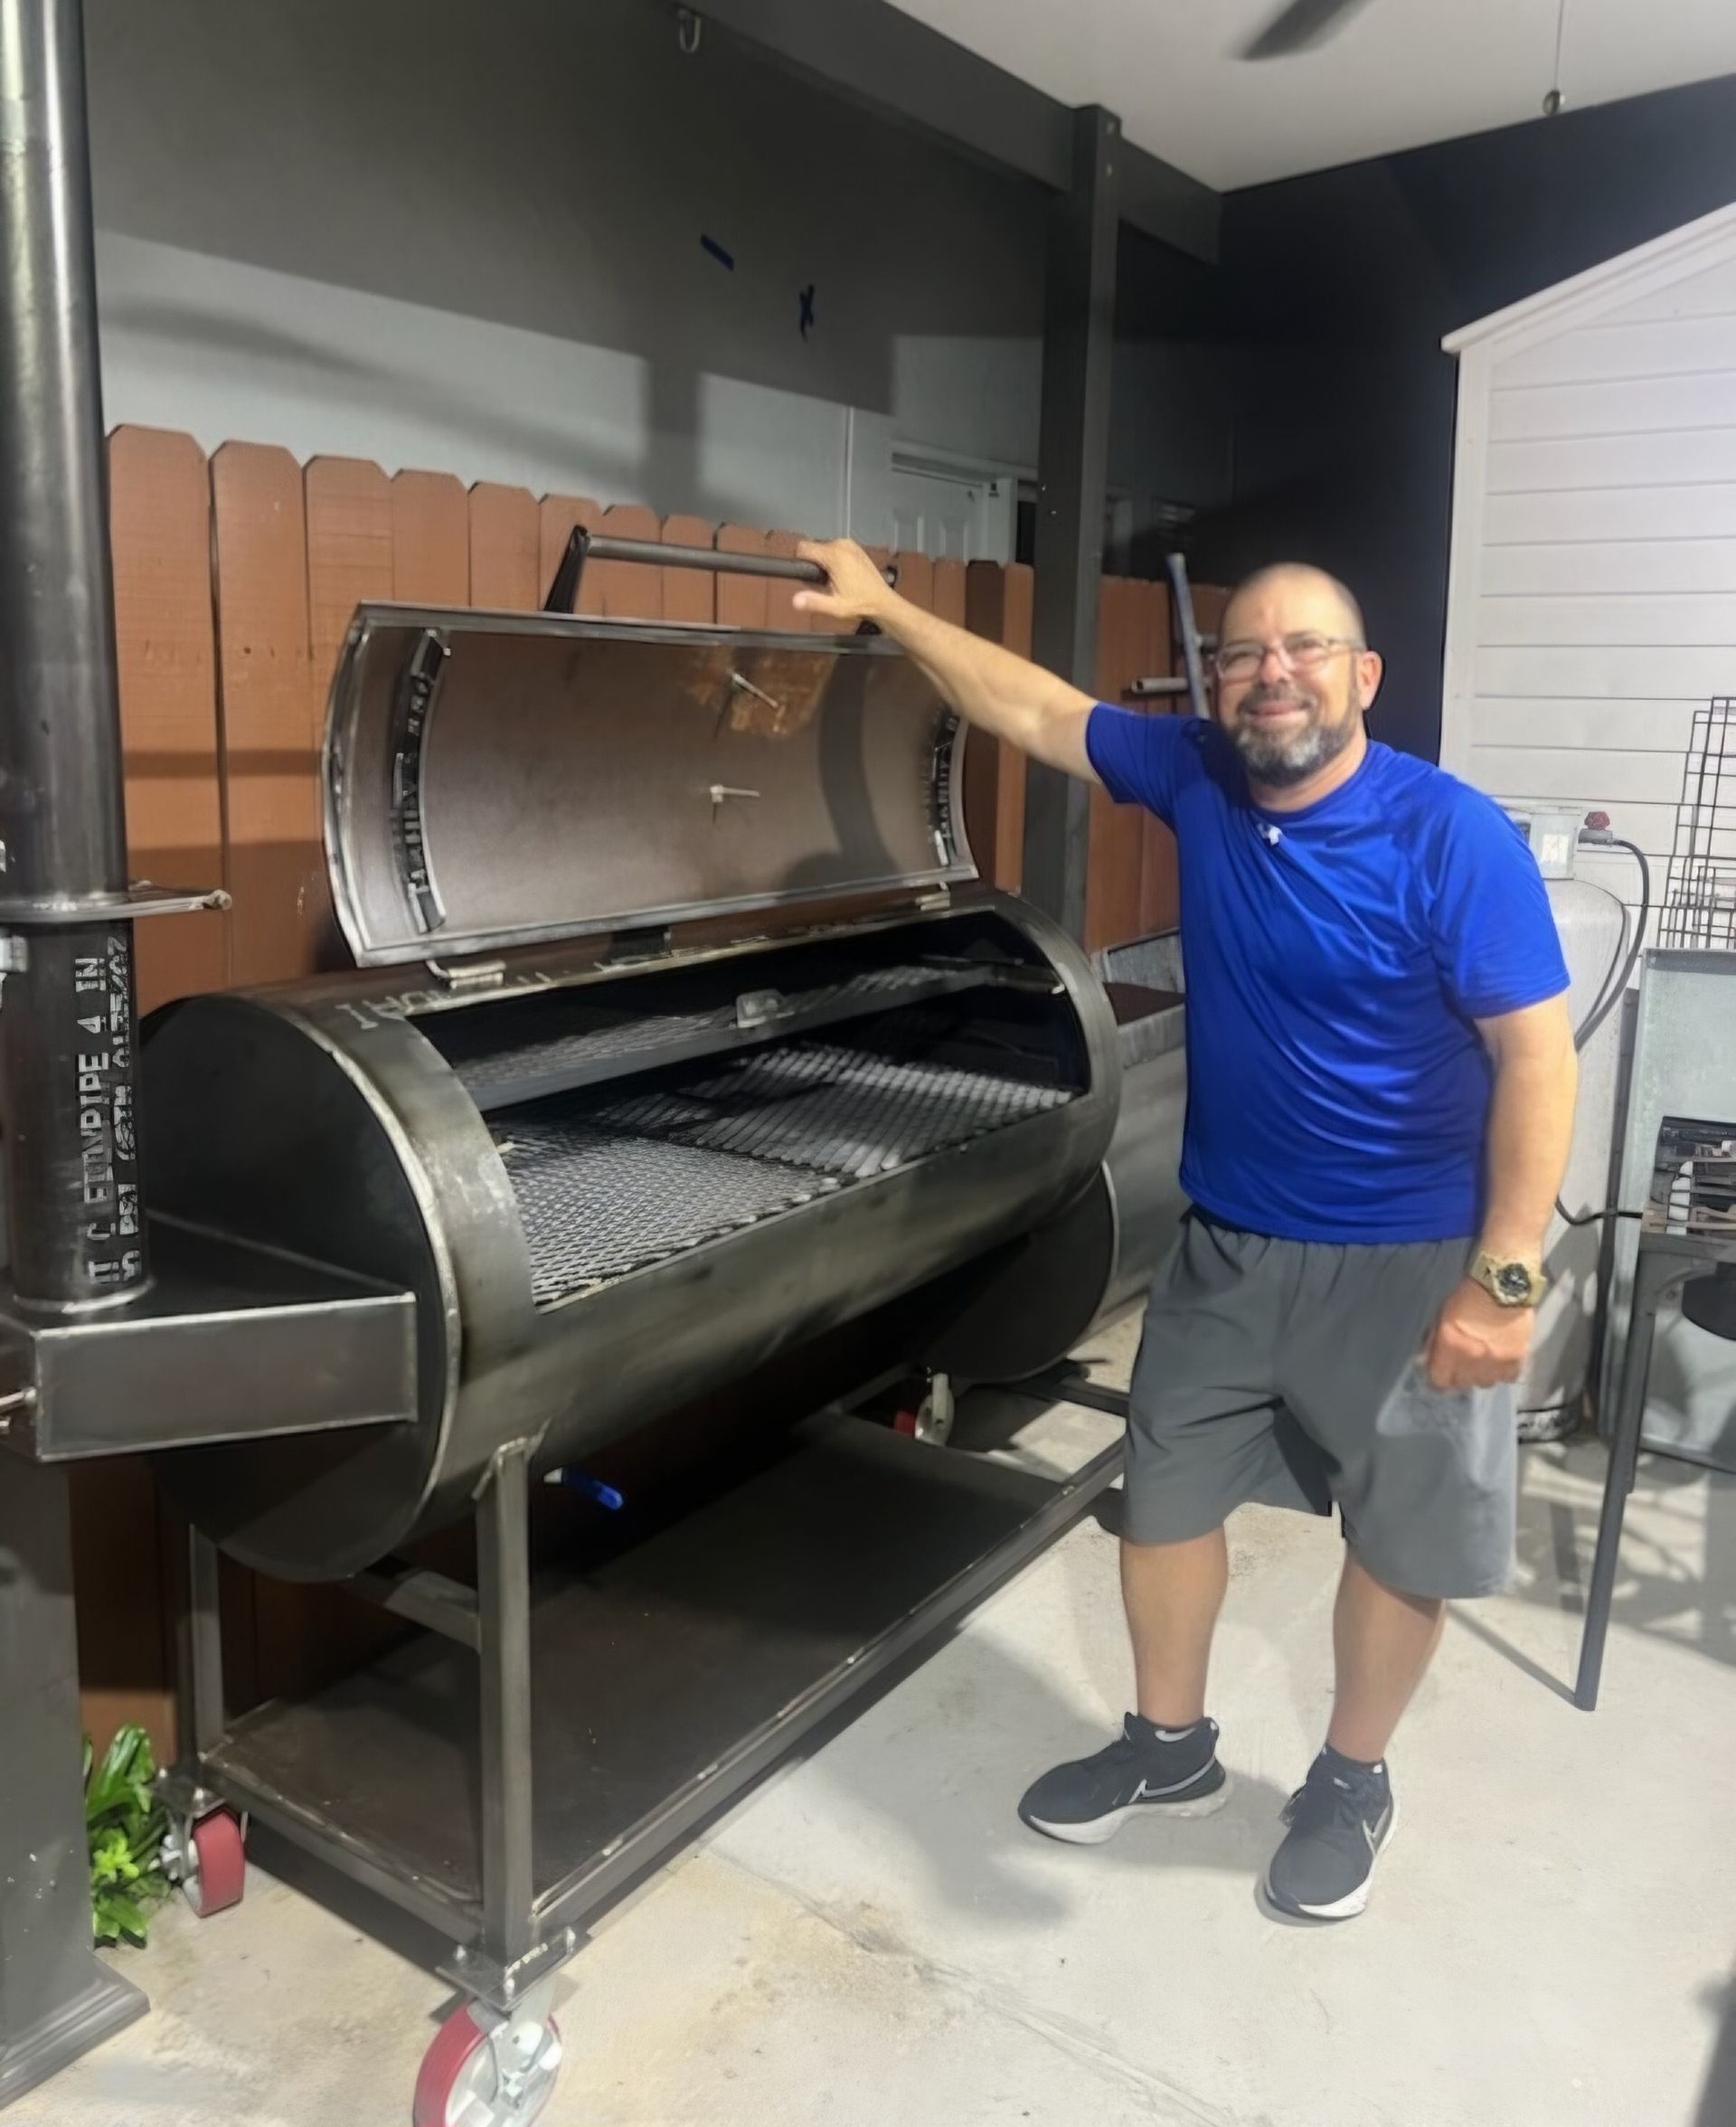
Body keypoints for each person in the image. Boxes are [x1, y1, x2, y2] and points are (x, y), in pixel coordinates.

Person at [794, 541, 1577, 1924]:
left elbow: (1537, 1059)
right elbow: (1033, 709)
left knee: (1396, 1544)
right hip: (1227, 1242)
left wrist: (1505, 1276)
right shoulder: (1202, 779)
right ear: (1218, 687)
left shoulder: (1453, 837)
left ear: (1364, 676)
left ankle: (1350, 1777)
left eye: (1305, 649)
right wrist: (887, 608)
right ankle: (1170, 1748)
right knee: (1161, 1508)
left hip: (1409, 1260)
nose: (1272, 674)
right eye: (1243, 654)